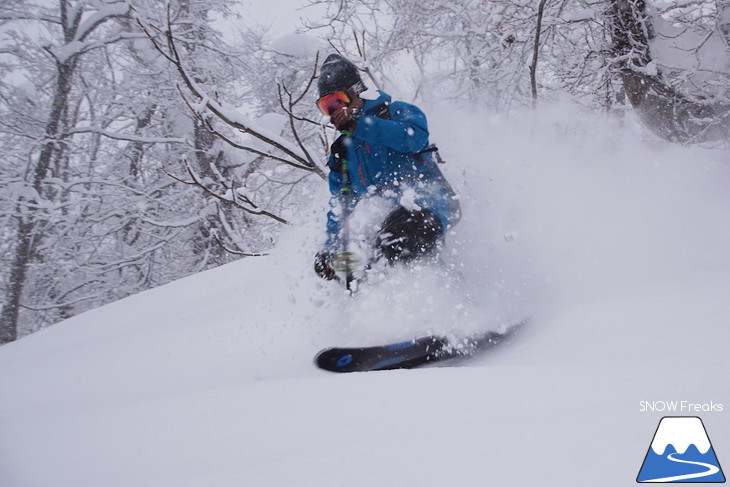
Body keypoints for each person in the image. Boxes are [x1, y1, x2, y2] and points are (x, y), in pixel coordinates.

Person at [314, 54, 460, 281]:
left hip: (424, 203)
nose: (335, 112)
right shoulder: (342, 150)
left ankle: (452, 302)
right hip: (382, 219)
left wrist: (360, 125)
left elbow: (414, 139)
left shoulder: (396, 113)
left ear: (358, 91)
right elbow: (340, 206)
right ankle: (372, 311)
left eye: (338, 101)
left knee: (394, 242)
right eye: (327, 107)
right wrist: (330, 250)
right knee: (356, 264)